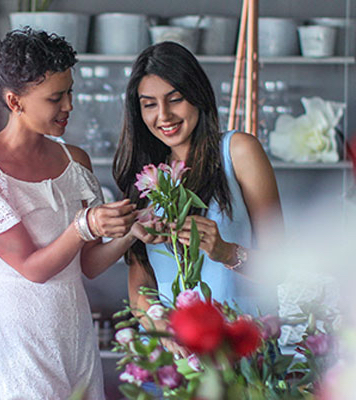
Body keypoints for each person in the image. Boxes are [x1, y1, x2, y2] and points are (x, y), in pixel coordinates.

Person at [0, 28, 163, 400]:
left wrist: (132, 230)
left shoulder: (75, 161)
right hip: (21, 337)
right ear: (15, 101)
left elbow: (89, 264)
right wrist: (84, 225)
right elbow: (34, 269)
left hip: (75, 329)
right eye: (55, 97)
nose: (69, 106)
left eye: (70, 92)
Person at [113, 42, 285, 348]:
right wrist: (158, 325)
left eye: (175, 99)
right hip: (172, 354)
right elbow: (140, 278)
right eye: (149, 104)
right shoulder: (145, 176)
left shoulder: (238, 151)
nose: (163, 115)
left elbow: (283, 267)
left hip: (239, 347)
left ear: (198, 96)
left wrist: (227, 252)